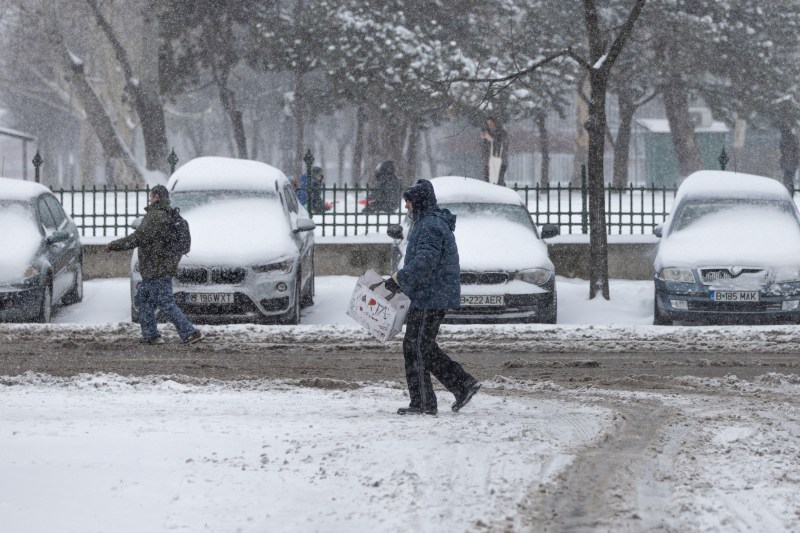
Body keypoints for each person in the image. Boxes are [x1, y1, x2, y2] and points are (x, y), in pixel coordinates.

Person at [384, 179, 481, 416]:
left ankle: (424, 403)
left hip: (431, 295)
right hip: (429, 294)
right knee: (422, 347)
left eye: (408, 202)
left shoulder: (429, 225)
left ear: (418, 202)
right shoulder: (428, 222)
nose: (406, 206)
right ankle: (462, 385)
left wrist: (399, 279)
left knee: (415, 347)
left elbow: (425, 261)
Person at [106, 185, 203, 345]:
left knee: (166, 304)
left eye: (151, 196)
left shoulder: (155, 216)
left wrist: (113, 245)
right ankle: (151, 335)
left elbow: (137, 238)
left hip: (156, 268)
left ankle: (190, 333)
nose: (149, 198)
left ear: (156, 196)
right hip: (158, 267)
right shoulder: (166, 213)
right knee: (143, 300)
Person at [481, 116, 509, 186]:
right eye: (488, 124)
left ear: (495, 123)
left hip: (500, 162)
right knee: (487, 182)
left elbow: (502, 146)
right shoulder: (487, 132)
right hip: (488, 162)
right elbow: (484, 149)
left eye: (491, 124)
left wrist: (491, 139)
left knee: (499, 182)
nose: (490, 126)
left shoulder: (502, 133)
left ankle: (501, 194)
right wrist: (484, 139)